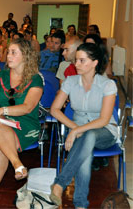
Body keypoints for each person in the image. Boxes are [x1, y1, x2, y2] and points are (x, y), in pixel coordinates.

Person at [49, 43, 117, 208]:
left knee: (90, 135)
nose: (76, 64)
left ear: (94, 63)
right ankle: (80, 204)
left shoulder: (107, 85)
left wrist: (76, 130)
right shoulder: (71, 82)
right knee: (85, 153)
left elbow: (104, 119)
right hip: (78, 132)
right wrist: (75, 127)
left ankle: (60, 183)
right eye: (76, 60)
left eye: (81, 60)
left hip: (105, 132)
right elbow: (54, 110)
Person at [0, 39, 43, 208]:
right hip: (0, 122)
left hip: (25, 124)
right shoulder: (1, 76)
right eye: (8, 52)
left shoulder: (36, 79)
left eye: (14, 52)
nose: (9, 56)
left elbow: (28, 108)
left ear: (26, 56)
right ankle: (17, 163)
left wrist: (0, 111)